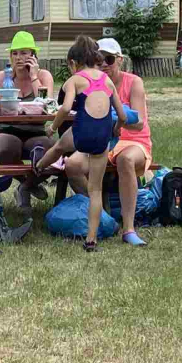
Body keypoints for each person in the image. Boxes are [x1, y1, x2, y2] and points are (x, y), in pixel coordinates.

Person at [58, 37, 151, 247]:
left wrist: (112, 118)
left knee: (125, 159)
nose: (104, 65)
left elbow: (139, 123)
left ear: (120, 60)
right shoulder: (91, 81)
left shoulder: (133, 82)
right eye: (99, 60)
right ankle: (105, 218)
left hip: (132, 141)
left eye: (109, 59)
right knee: (72, 164)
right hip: (103, 140)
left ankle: (128, 228)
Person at [45, 37, 126, 252]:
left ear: (73, 63)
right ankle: (91, 240)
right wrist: (116, 130)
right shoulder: (107, 81)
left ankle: (40, 166)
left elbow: (65, 109)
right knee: (95, 189)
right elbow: (122, 116)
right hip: (102, 139)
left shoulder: (74, 80)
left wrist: (52, 128)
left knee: (62, 146)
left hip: (82, 136)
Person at [0, 31, 55, 215]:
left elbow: (49, 108)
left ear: (33, 56)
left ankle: (24, 188)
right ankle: (28, 183)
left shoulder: (44, 76)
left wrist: (34, 77)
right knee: (5, 148)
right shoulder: (1, 78)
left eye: (24, 53)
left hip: (36, 131)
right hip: (6, 130)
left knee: (51, 154)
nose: (19, 57)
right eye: (15, 53)